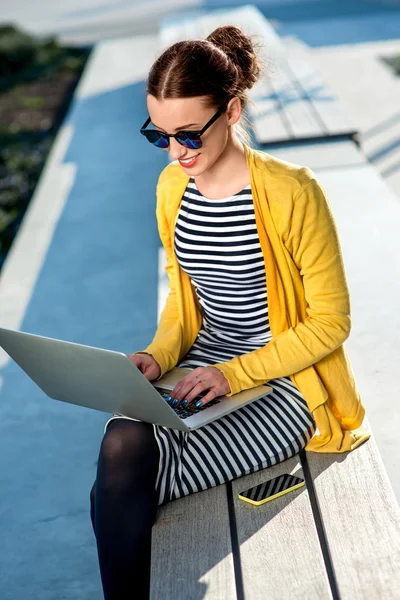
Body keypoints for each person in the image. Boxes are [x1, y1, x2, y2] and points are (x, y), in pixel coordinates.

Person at [89, 25, 371, 599]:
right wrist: (157, 354)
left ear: (233, 109)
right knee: (122, 440)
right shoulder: (173, 187)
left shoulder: (293, 192)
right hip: (203, 365)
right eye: (160, 136)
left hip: (286, 382)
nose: (176, 152)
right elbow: (182, 296)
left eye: (189, 134)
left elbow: (331, 321)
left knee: (125, 471)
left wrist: (233, 375)